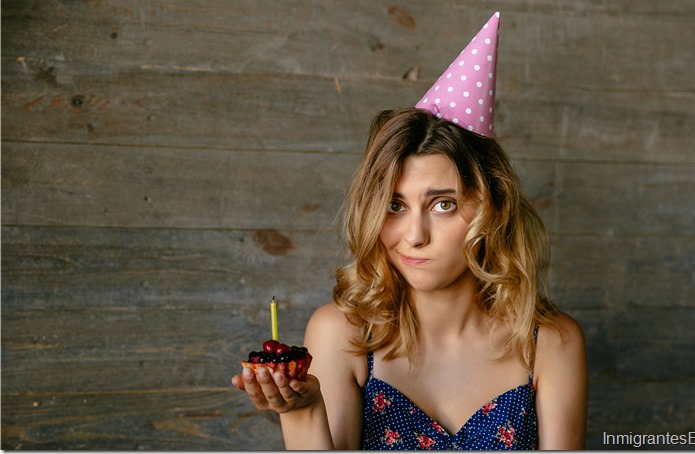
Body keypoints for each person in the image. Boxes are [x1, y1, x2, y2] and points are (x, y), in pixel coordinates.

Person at [231, 12, 587, 450]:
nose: (413, 235)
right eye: (395, 205)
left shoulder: (550, 344)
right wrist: (302, 412)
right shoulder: (342, 335)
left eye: (443, 204)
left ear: (491, 205)